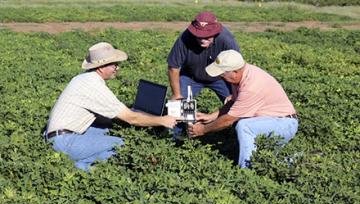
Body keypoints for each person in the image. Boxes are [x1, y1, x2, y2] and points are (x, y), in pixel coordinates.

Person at [44, 42, 177, 172]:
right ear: (101, 67)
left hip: (63, 136)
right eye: (114, 64)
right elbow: (131, 118)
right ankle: (78, 168)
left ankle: (76, 163)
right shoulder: (93, 86)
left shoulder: (85, 78)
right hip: (65, 142)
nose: (117, 68)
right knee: (121, 145)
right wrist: (162, 120)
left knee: (109, 129)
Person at [188, 50, 299, 168]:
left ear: (235, 71)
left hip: (283, 124)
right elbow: (234, 103)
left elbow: (229, 120)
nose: (220, 77)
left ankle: (246, 171)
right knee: (270, 161)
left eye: (222, 74)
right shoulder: (242, 75)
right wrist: (210, 116)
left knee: (244, 126)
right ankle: (297, 161)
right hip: (271, 121)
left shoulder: (251, 86)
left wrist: (203, 130)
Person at [167, 11, 240, 102]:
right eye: (199, 36)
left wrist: (234, 94)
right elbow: (173, 66)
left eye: (207, 36)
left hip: (221, 77)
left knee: (235, 103)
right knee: (178, 105)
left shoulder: (226, 40)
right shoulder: (185, 38)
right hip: (191, 76)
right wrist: (177, 94)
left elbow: (238, 68)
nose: (202, 40)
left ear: (215, 32)